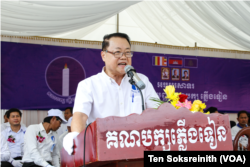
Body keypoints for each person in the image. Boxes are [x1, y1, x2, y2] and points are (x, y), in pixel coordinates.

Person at [63, 33, 159, 155]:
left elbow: (157, 111)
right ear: (103, 55)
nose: (124, 57)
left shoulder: (141, 81)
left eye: (127, 52)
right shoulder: (88, 85)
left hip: (138, 149)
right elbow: (80, 116)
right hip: (103, 151)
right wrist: (76, 137)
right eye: (117, 52)